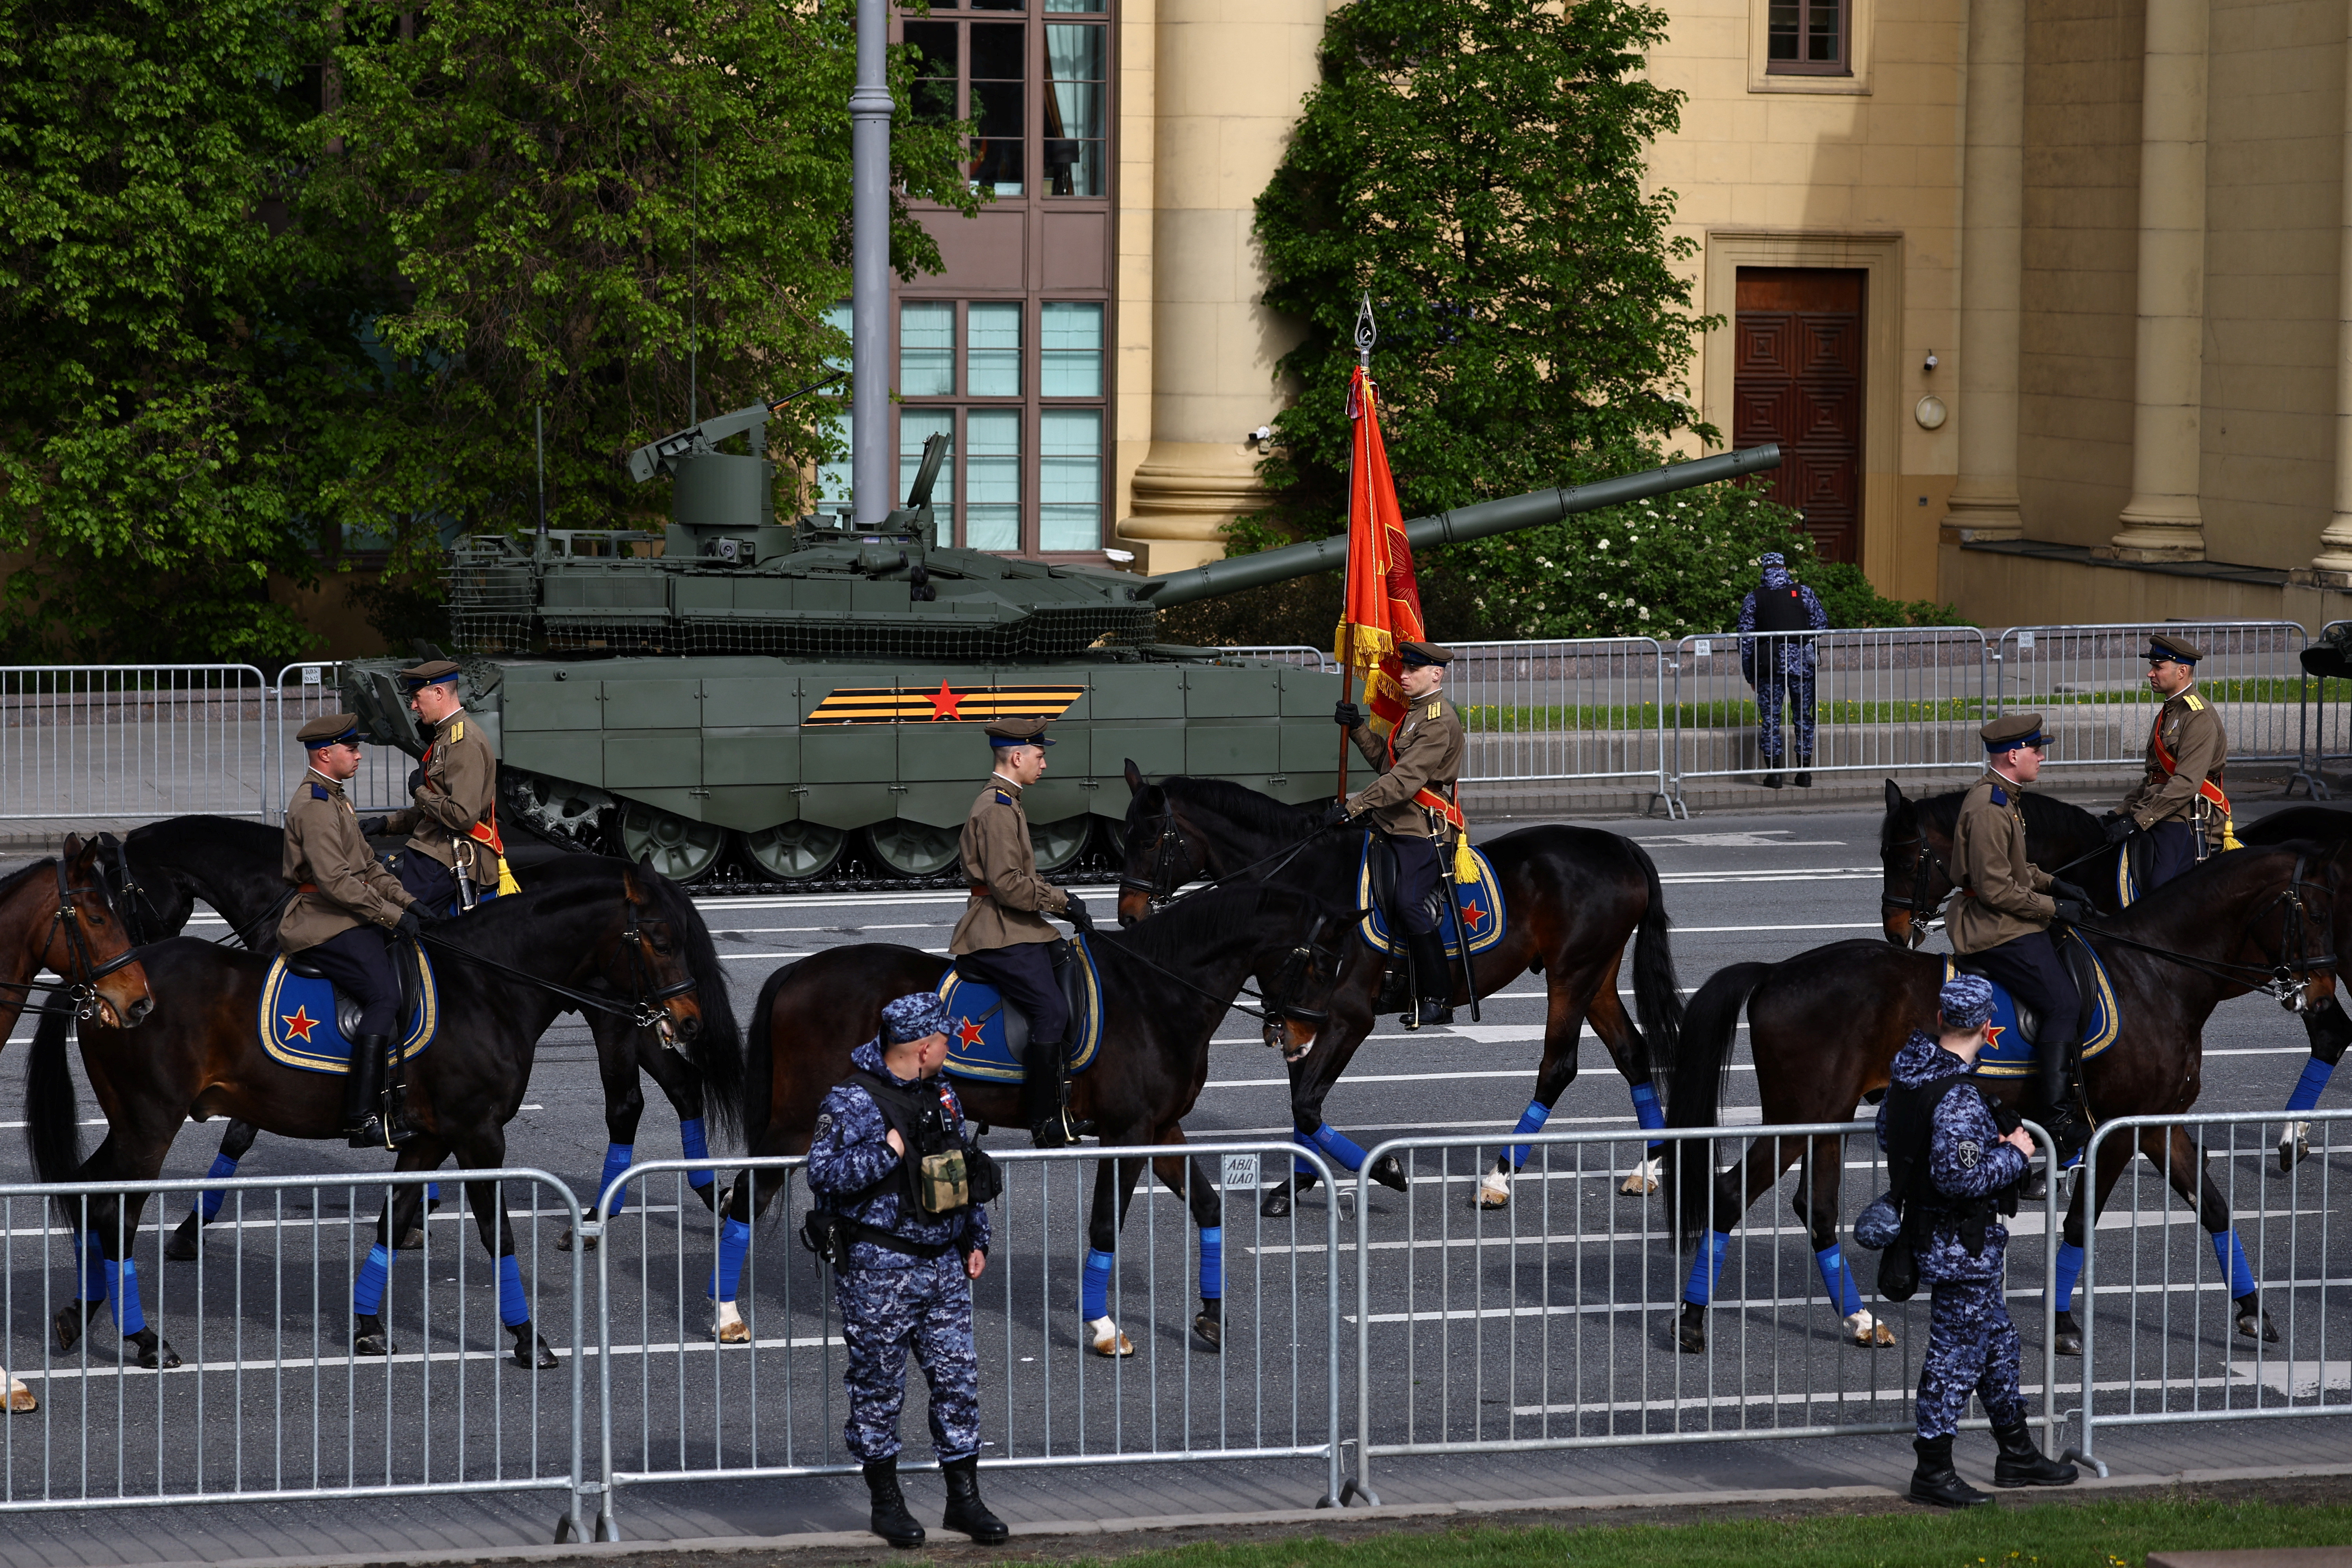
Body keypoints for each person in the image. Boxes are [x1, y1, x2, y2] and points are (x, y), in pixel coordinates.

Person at [808, 993, 1003, 1550]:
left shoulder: (942, 1094)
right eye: (945, 1040)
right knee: (878, 1390)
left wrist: (975, 1237)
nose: (950, 1048)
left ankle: (964, 1500)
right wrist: (886, 1154)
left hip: (943, 1264)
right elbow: (821, 1175)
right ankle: (886, 1505)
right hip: (878, 1270)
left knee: (958, 1385)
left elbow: (958, 1166)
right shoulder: (850, 1102)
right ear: (922, 1048)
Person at [1878, 974, 2078, 1507]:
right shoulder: (1960, 1096)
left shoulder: (1910, 1072)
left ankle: (2017, 1453)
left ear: (1943, 1019)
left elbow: (1890, 1135)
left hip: (1942, 1238)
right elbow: (1960, 1178)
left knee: (1998, 1347)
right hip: (1961, 1247)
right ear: (1988, 1027)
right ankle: (1933, 1471)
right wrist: (2014, 1151)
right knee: (1954, 1358)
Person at [280, 713, 432, 1149]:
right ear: (325, 754)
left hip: (347, 911)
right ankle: (361, 1115)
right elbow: (337, 883)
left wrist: (410, 902)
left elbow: (368, 866)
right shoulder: (314, 806)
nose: (359, 755)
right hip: (321, 919)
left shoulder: (335, 799)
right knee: (385, 996)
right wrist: (392, 916)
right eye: (351, 749)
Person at [1950, 712, 2094, 1162]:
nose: (2042, 757)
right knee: (2063, 1003)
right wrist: (2053, 908)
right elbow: (1995, 889)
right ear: (2013, 755)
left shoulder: (2004, 796)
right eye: (2036, 750)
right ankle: (2055, 1117)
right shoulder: (1990, 807)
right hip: (1994, 928)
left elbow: (2016, 868)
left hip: (2007, 915)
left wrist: (2054, 884)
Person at [947, 716, 1095, 1148]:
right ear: (1017, 757)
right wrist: (1062, 901)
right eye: (1039, 755)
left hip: (1016, 924)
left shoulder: (1008, 801)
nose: (1043, 764)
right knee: (1051, 1010)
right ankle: (1045, 1119)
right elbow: (1008, 886)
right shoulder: (996, 809)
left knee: (1072, 964)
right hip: (998, 929)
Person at [1331, 641, 1468, 1029]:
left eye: (1412, 670)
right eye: (1404, 669)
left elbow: (1405, 781)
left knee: (1409, 903)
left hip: (1422, 829)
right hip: (1391, 821)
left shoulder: (1439, 721)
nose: (1403, 676)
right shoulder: (1414, 714)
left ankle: (1439, 998)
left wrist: (1352, 807)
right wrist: (1358, 728)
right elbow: (1386, 764)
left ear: (1436, 674)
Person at [358, 660, 505, 913]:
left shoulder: (462, 742)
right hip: (434, 851)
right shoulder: (446, 737)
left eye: (417, 697)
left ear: (438, 693)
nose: (414, 706)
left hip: (448, 858)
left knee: (388, 916)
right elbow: (436, 812)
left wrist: (419, 791)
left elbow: (461, 815)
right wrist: (387, 823)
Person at [2104, 632, 2228, 893]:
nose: (2151, 673)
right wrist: (2121, 812)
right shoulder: (2171, 711)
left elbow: (2186, 783)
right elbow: (2154, 776)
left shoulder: (2198, 717)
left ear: (2182, 671)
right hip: (2158, 809)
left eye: (2158, 667)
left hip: (2182, 817)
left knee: (2159, 895)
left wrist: (2143, 819)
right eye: (2152, 667)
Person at [1736, 550, 1829, 788]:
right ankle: (1804, 773)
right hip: (1802, 668)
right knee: (1803, 718)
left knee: (1771, 720)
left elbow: (1745, 640)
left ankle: (1775, 775)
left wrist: (1751, 674)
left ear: (1764, 570)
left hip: (1769, 666)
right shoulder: (1803, 593)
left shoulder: (1754, 598)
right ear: (1785, 569)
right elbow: (1821, 625)